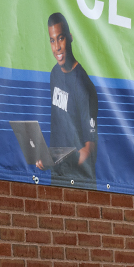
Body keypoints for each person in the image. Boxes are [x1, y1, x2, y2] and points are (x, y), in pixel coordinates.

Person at [36, 12, 98, 187]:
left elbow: (89, 151)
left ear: (70, 38)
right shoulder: (54, 74)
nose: (57, 47)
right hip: (57, 179)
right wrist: (47, 158)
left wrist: (59, 161)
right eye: (52, 40)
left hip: (80, 184)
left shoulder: (84, 86)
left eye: (61, 39)